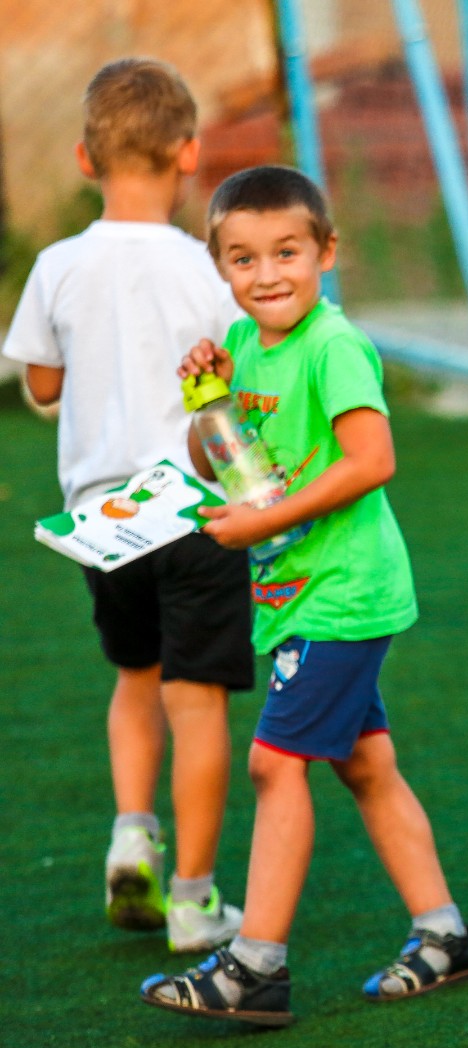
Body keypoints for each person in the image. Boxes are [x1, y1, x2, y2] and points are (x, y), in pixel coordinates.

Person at [137, 166, 468, 1027]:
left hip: (345, 592)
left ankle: (256, 965)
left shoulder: (333, 346)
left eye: (287, 252)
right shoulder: (246, 347)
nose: (268, 275)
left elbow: (372, 462)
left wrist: (263, 524)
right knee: (365, 765)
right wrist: (205, 398)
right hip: (297, 596)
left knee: (274, 762)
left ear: (327, 251)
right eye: (245, 259)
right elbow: (220, 457)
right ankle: (443, 935)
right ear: (221, 267)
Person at [1, 58, 250, 953]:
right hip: (196, 509)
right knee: (199, 702)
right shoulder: (207, 270)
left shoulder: (58, 264)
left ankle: (131, 835)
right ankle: (193, 899)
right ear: (190, 154)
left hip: (103, 520)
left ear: (82, 158)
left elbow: (40, 385)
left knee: (134, 680)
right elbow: (237, 388)